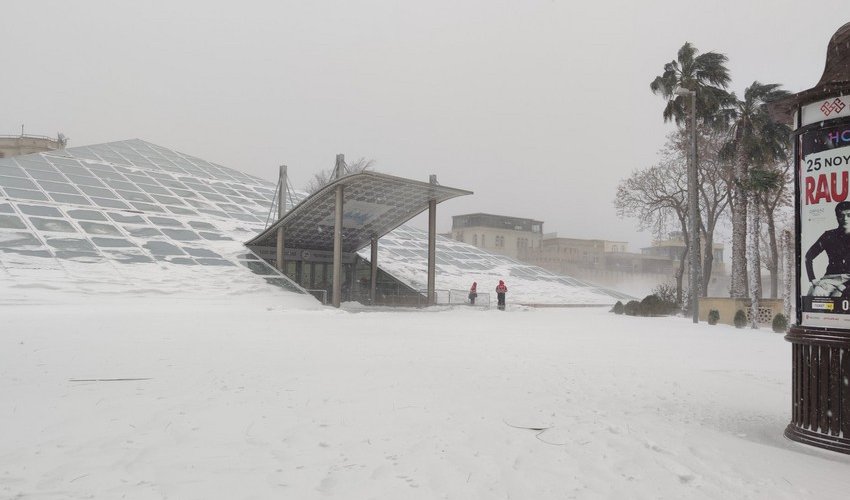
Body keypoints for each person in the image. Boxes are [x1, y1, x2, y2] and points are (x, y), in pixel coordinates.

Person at [805, 201, 850, 297]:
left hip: (848, 279)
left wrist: (845, 286)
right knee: (816, 294)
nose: (845, 219)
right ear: (836, 216)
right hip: (830, 279)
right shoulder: (829, 236)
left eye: (849, 215)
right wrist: (813, 279)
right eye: (841, 215)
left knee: (839, 297)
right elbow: (808, 257)